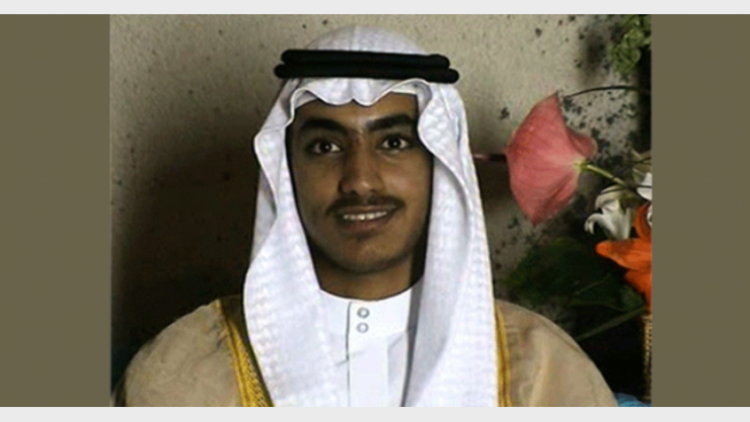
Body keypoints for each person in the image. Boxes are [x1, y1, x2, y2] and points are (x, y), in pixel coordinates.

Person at [113, 26, 617, 407]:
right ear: (285, 170)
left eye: (394, 143)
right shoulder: (184, 372)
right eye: (325, 146)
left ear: (440, 166)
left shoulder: (542, 371)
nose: (360, 179)